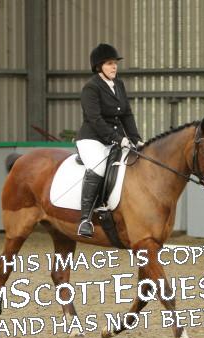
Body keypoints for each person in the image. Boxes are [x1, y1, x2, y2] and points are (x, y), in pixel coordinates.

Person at [75, 43, 144, 238]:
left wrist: (136, 139)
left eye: (115, 63)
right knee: (99, 166)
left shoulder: (119, 85)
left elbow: (126, 114)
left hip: (115, 139)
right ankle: (85, 219)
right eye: (109, 64)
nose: (114, 67)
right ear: (99, 67)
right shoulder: (91, 88)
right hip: (92, 138)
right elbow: (95, 119)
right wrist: (118, 139)